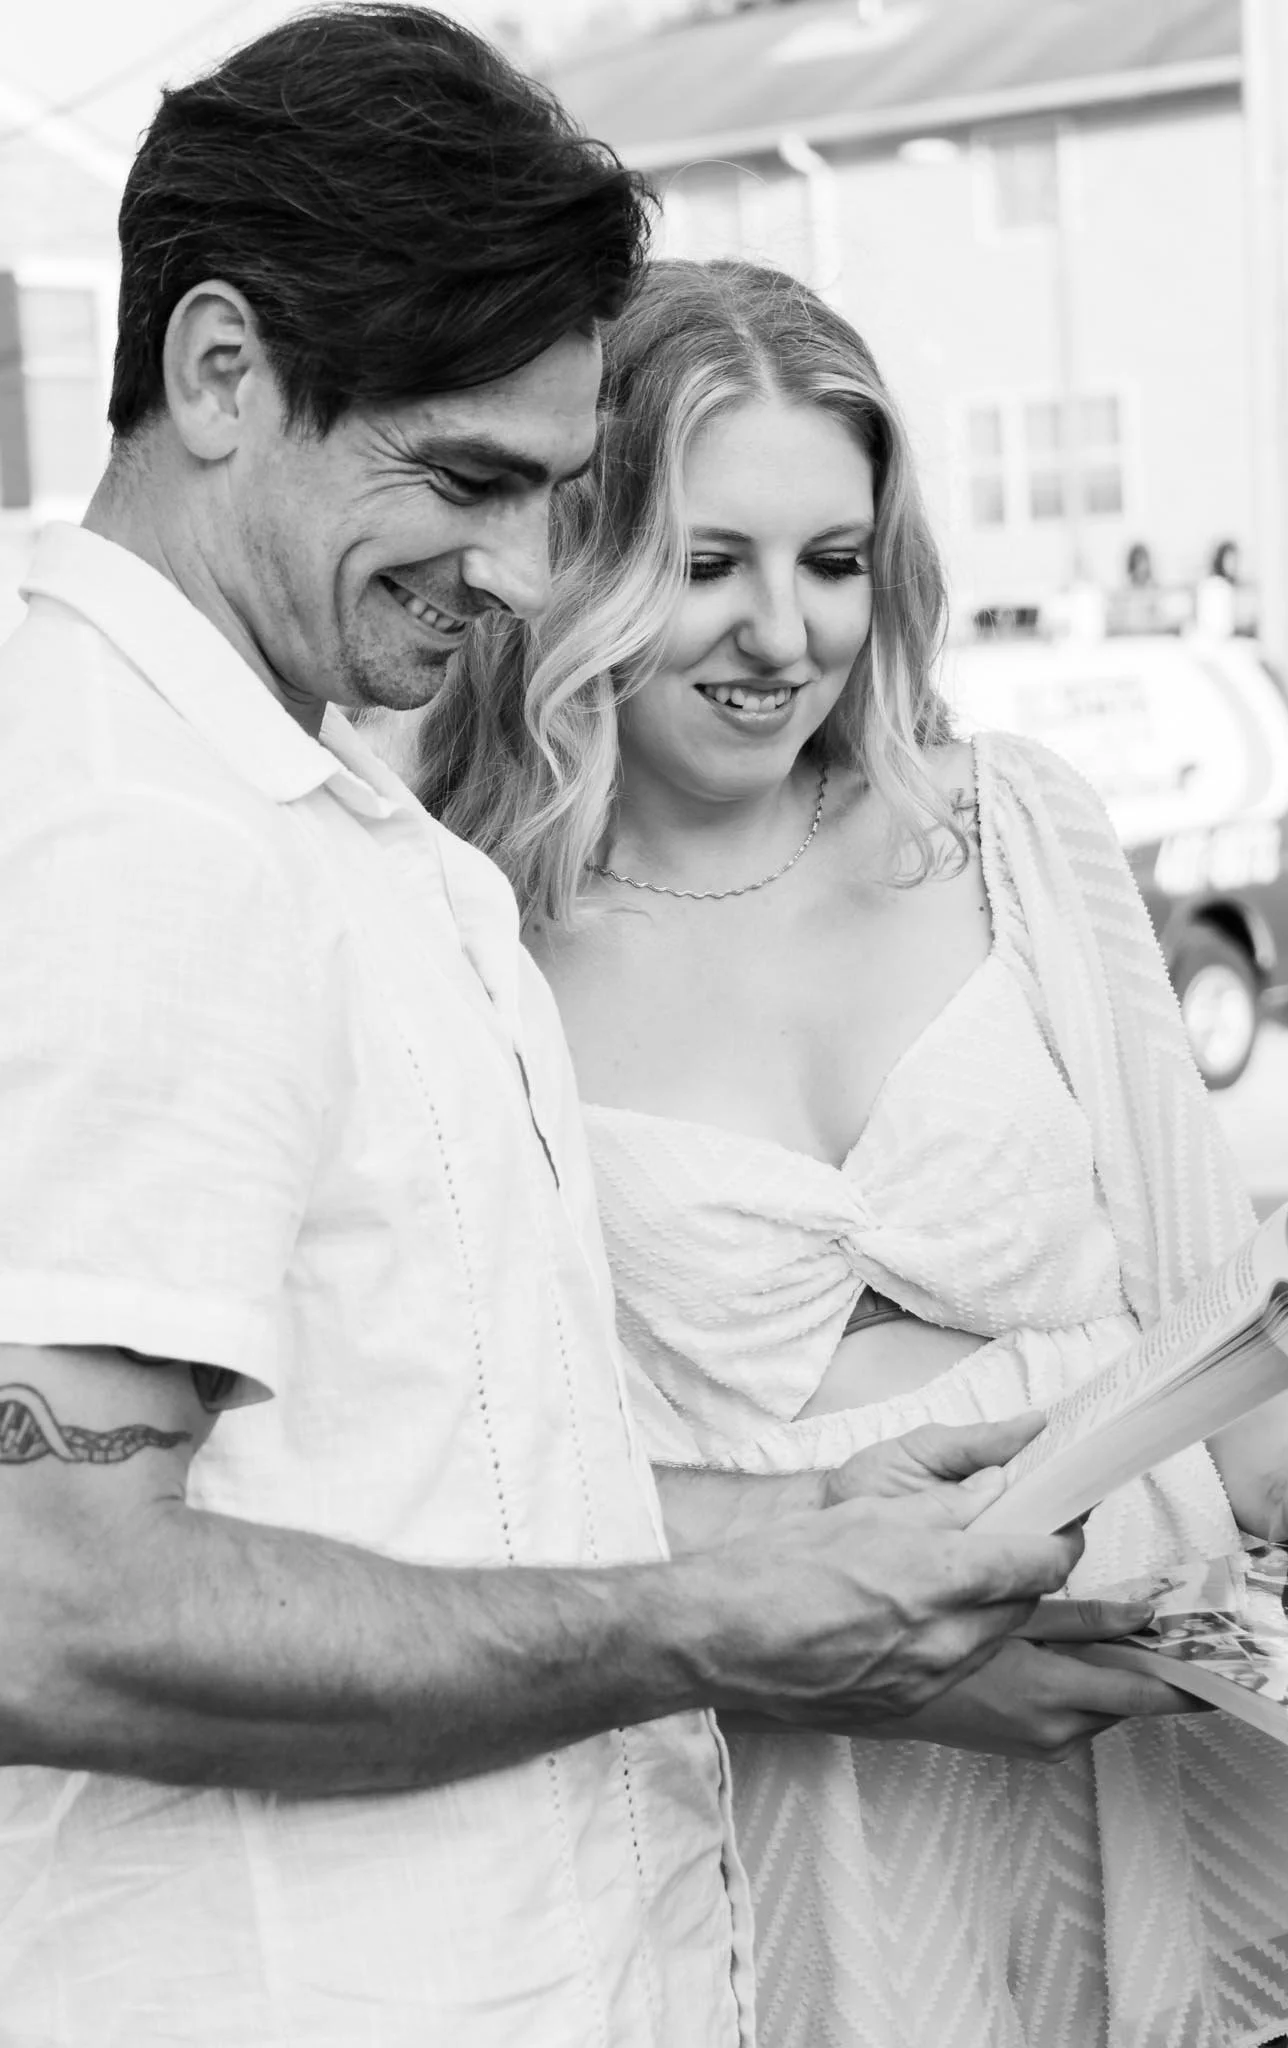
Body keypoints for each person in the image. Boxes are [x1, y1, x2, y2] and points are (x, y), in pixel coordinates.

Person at [0, 24, 1099, 2048]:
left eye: (553, 492)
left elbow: (428, 1488)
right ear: (221, 370)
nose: (519, 571)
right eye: (463, 482)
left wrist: (793, 1532)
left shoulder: (302, 810)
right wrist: (686, 1627)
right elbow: (39, 1605)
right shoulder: (135, 837)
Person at [422, 258, 1288, 2048]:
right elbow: (508, 1479)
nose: (783, 636)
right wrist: (858, 1664)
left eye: (834, 562)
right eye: (710, 563)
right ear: (584, 558)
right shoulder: (470, 943)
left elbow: (1206, 1282)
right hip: (787, 1766)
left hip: (1148, 1702)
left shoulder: (1010, 826)